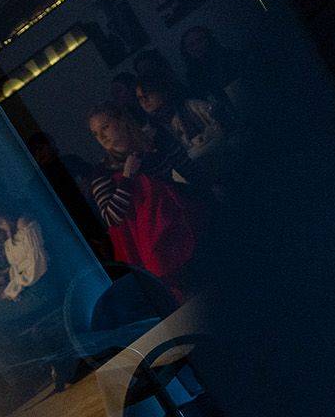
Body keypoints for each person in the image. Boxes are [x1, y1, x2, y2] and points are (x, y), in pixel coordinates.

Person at [86, 105, 203, 297]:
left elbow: (191, 172)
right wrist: (127, 177)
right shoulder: (103, 172)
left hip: (183, 223)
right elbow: (111, 218)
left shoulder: (158, 143)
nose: (102, 136)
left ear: (121, 121)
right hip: (151, 245)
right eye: (96, 133)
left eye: (105, 127)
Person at [26, 130, 113, 263]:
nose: (39, 154)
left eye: (41, 148)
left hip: (92, 216)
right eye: (35, 151)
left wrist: (87, 188)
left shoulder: (70, 161)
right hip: (71, 228)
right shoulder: (36, 183)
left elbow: (93, 177)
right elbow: (45, 212)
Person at [134, 76, 226, 187]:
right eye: (140, 98)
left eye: (147, 94)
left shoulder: (192, 107)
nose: (144, 101)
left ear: (162, 91)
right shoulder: (150, 132)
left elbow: (223, 128)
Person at [179, 24, 242, 114]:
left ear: (209, 39)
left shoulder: (230, 57)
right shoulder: (192, 75)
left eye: (199, 40)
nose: (196, 47)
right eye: (191, 45)